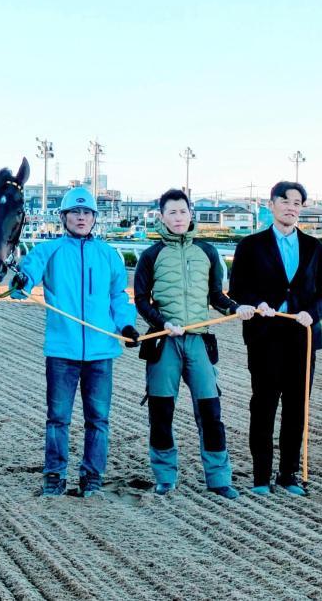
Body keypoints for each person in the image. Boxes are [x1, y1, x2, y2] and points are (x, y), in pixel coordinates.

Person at [11, 187, 140, 497]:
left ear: (95, 218)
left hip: (100, 353)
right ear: (64, 217)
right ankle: (54, 477)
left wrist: (127, 325)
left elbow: (118, 297)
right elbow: (23, 284)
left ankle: (92, 478)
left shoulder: (109, 254)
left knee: (98, 419)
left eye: (87, 213)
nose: (81, 217)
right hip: (62, 351)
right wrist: (19, 281)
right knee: (58, 419)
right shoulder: (48, 251)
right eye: (75, 212)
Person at [134, 189, 255, 499]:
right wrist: (163, 324)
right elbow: (141, 301)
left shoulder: (207, 252)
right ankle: (164, 477)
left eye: (182, 212)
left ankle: (218, 478)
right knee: (161, 414)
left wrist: (233, 308)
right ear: (161, 216)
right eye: (171, 212)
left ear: (191, 215)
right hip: (164, 344)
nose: (178, 217)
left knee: (210, 412)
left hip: (199, 342)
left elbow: (216, 296)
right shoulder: (151, 255)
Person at [228, 181, 322, 496]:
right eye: (285, 201)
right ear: (271, 205)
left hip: (302, 337)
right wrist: (256, 303)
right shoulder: (250, 245)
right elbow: (238, 288)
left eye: (298, 203)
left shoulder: (314, 247)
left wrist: (311, 314)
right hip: (264, 336)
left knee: (296, 407)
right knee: (263, 405)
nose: (291, 207)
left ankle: (288, 474)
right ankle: (261, 476)